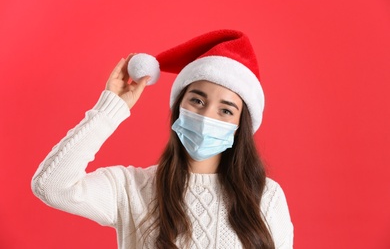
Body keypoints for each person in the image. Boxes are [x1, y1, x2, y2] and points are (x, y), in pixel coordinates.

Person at [31, 29, 294, 249]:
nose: (206, 116)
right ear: (179, 106)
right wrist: (111, 108)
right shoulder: (131, 188)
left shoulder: (266, 197)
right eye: (197, 100)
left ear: (240, 126)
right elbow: (52, 186)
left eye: (225, 110)